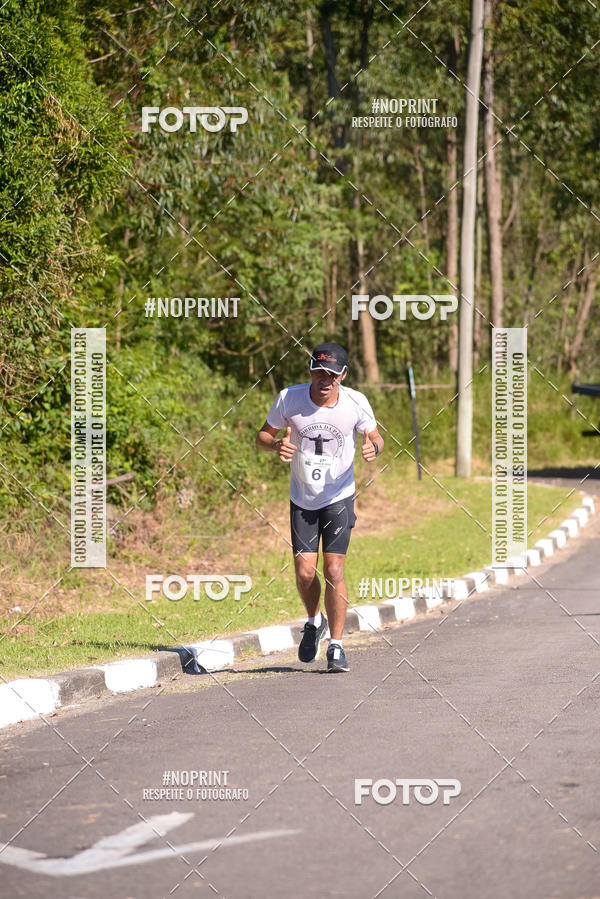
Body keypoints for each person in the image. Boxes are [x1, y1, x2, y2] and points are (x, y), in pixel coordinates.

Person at [256, 342, 383, 672]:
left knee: (334, 570)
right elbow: (262, 437)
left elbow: (376, 436)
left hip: (339, 495)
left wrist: (374, 447)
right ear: (310, 371)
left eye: (332, 374)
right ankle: (314, 621)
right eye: (319, 372)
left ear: (343, 375)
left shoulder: (356, 402)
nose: (325, 380)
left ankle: (337, 647)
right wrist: (276, 445)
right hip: (303, 497)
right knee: (304, 572)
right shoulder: (290, 398)